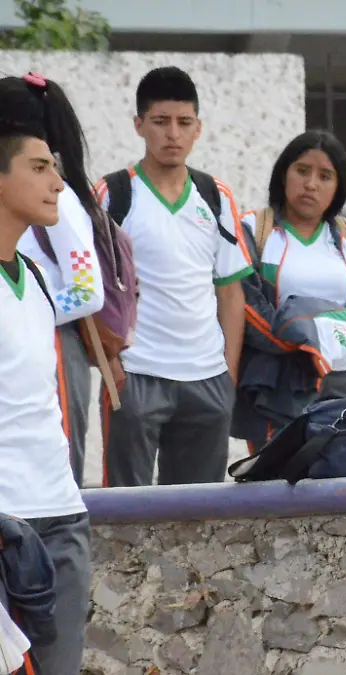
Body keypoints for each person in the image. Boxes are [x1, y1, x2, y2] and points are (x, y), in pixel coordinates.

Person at [96, 66, 252, 486]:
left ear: (198, 128)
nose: (173, 134)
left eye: (184, 123)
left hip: (207, 378)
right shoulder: (113, 193)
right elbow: (92, 287)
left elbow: (230, 292)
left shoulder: (216, 195)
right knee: (125, 516)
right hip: (136, 374)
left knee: (198, 519)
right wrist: (111, 364)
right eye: (160, 122)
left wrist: (227, 375)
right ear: (139, 125)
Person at [0, 107, 92, 675]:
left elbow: (51, 404)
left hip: (62, 518)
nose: (58, 182)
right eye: (40, 167)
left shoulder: (35, 279)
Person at [232, 130, 346, 450]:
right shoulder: (254, 229)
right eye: (302, 171)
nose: (311, 184)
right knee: (276, 488)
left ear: (338, 186)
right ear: (283, 174)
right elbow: (246, 305)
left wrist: (331, 338)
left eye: (325, 176)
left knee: (343, 489)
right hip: (280, 383)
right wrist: (305, 341)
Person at [4, 74, 105, 487]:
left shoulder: (56, 198)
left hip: (55, 351)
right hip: (20, 349)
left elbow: (88, 290)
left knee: (58, 479)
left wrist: (30, 312)